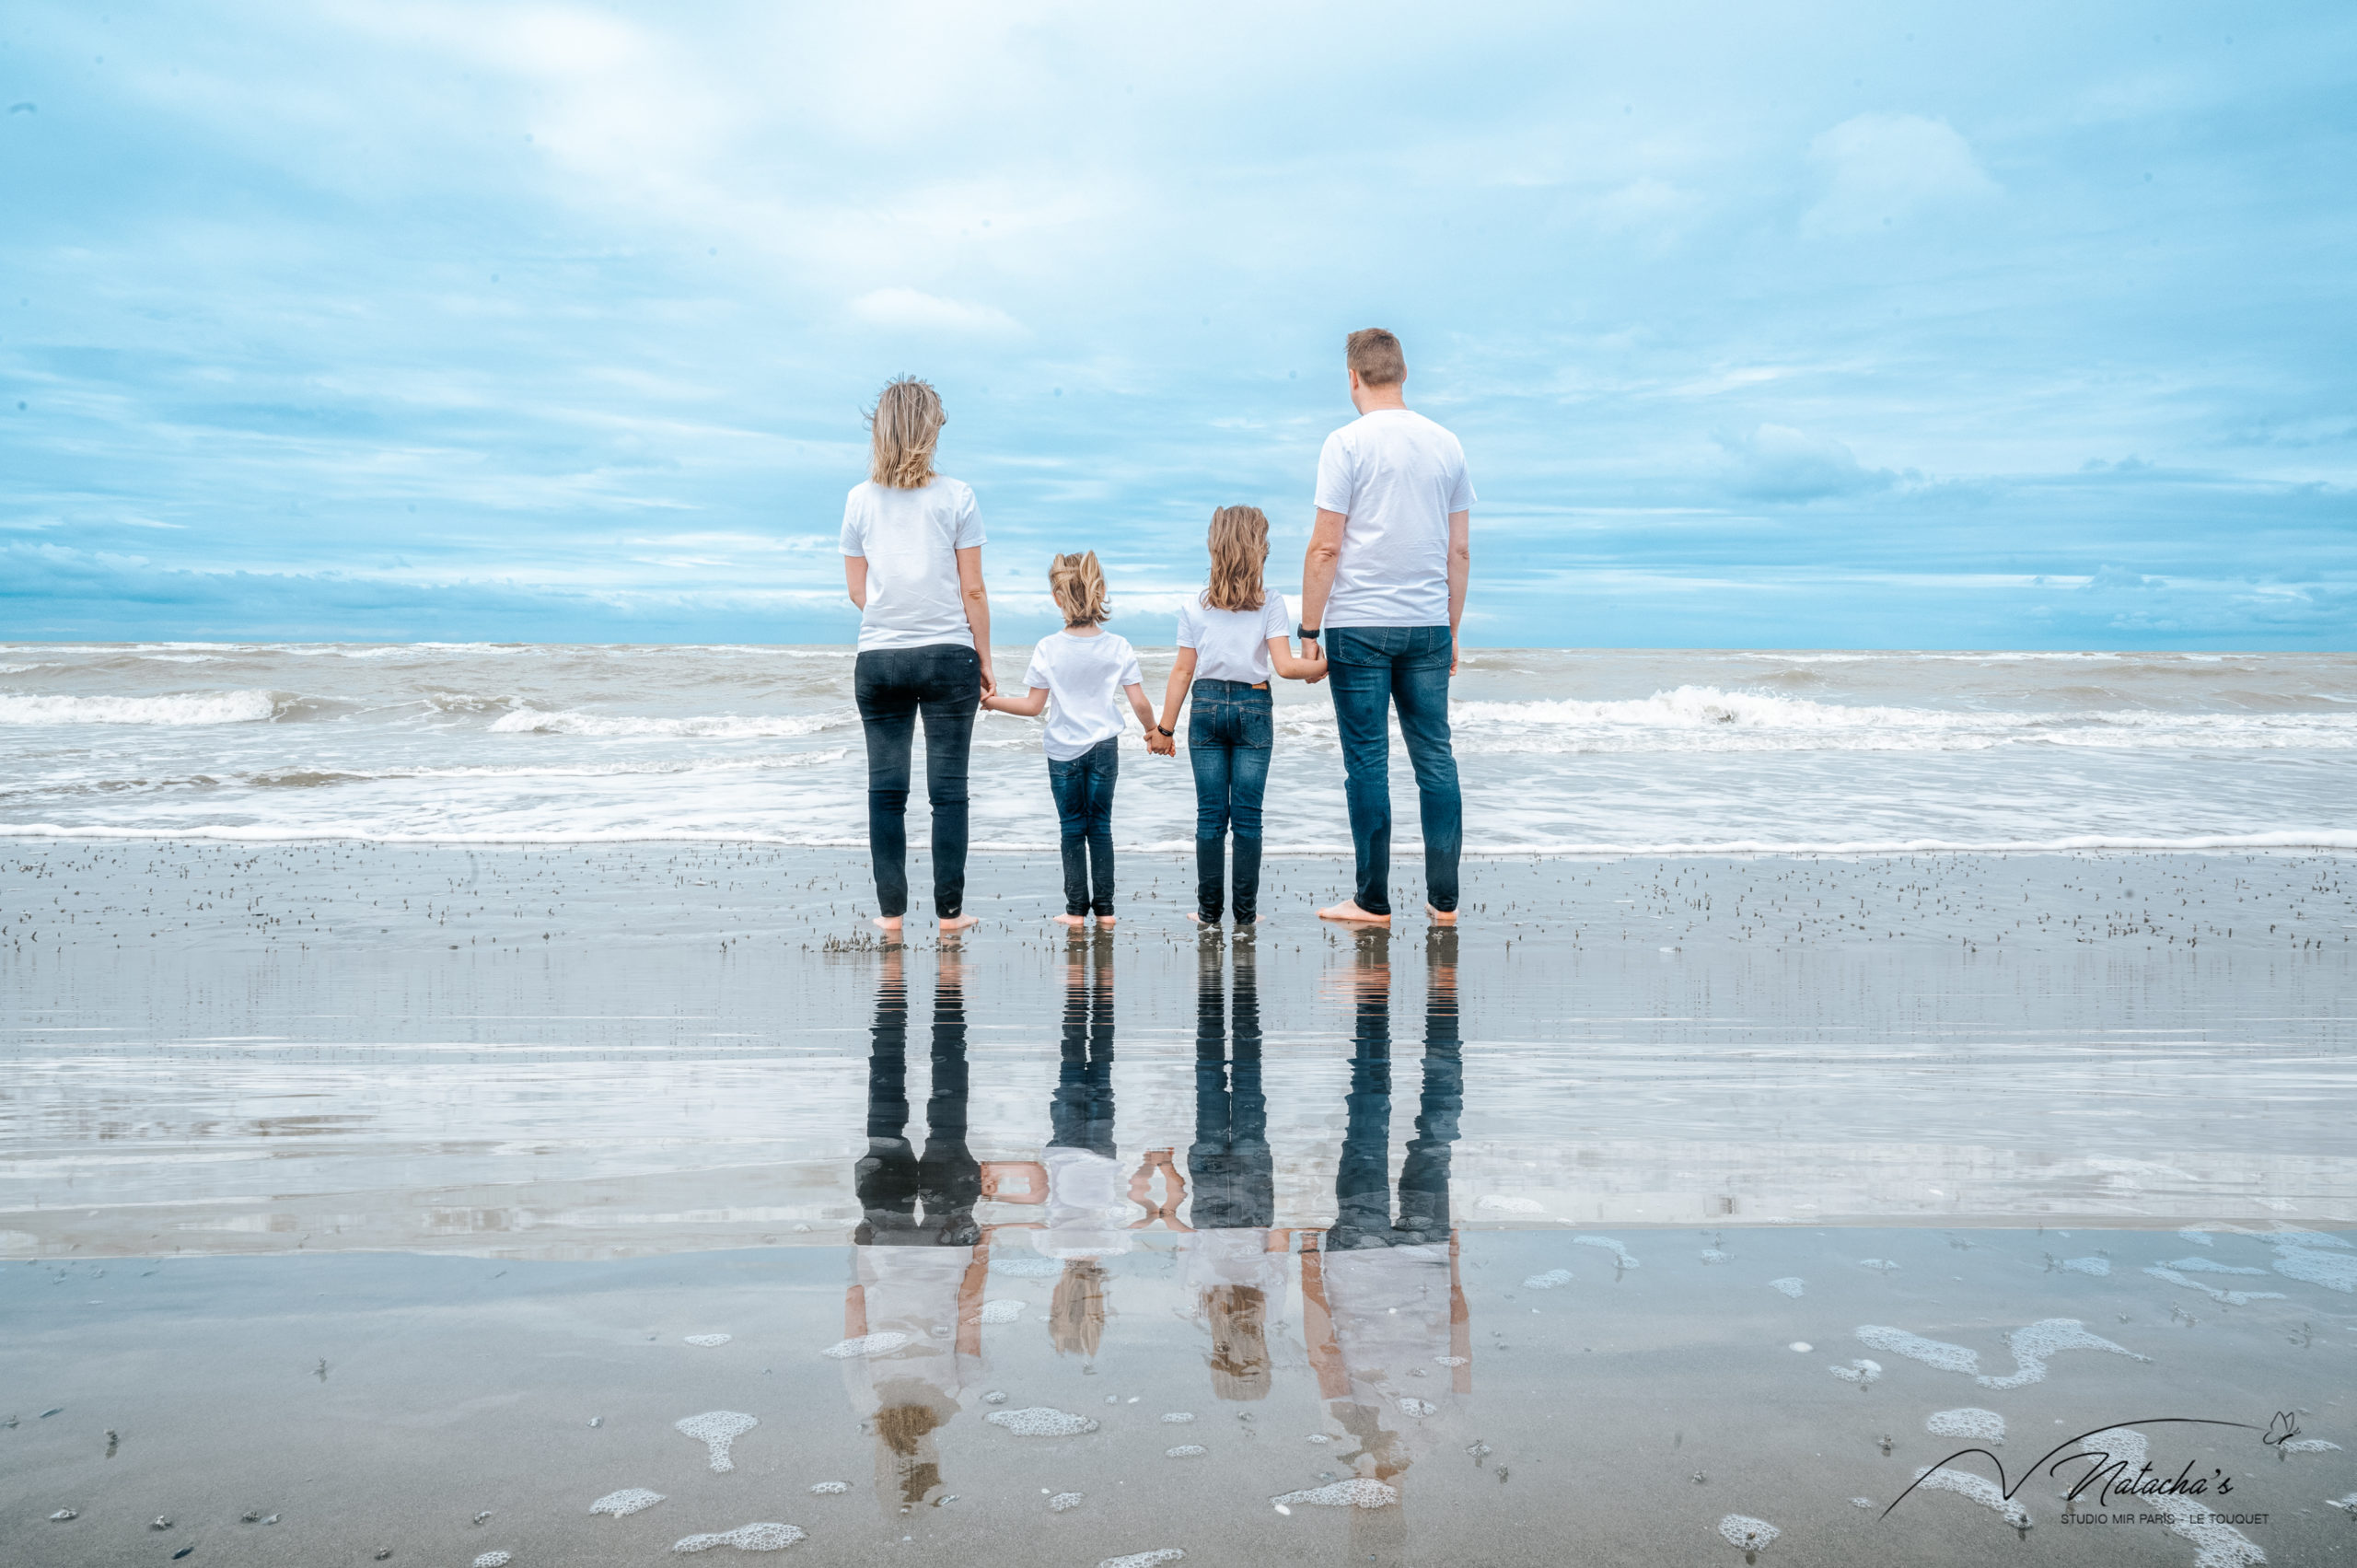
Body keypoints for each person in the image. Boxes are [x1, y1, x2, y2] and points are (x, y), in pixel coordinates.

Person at [1297, 329, 1474, 928]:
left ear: (1353, 377)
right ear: (1403, 372)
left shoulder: (1345, 443)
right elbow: (1460, 551)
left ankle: (1373, 901)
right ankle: (1443, 901)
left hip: (1359, 624)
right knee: (1436, 759)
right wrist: (1450, 628)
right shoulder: (1447, 443)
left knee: (1368, 763)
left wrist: (1308, 629)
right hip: (1426, 623)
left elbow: (1325, 546)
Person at [841, 376, 994, 936]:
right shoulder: (958, 496)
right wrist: (984, 658)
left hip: (879, 655)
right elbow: (972, 588)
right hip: (948, 652)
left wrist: (890, 617)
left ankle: (891, 918)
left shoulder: (859, 500)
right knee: (948, 792)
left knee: (886, 791)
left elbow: (858, 591)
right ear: (929, 431)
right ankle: (950, 917)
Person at [1148, 506, 1327, 925]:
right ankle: (1245, 914)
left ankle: (1209, 912)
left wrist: (1164, 729)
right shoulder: (1271, 603)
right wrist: (1326, 666)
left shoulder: (1194, 605)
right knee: (1248, 816)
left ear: (1216, 548)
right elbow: (1285, 667)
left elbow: (1182, 671)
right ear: (1257, 550)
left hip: (1206, 707)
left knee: (1210, 815)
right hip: (1253, 707)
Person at [981, 552, 1159, 929]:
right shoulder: (1118, 645)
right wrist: (1153, 731)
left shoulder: (1048, 647)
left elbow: (1033, 707)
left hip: (1062, 751)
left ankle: (1076, 912)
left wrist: (992, 702)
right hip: (1105, 748)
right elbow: (1139, 702)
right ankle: (1106, 912)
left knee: (1071, 828)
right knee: (1101, 827)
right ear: (1100, 592)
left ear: (1057, 598)